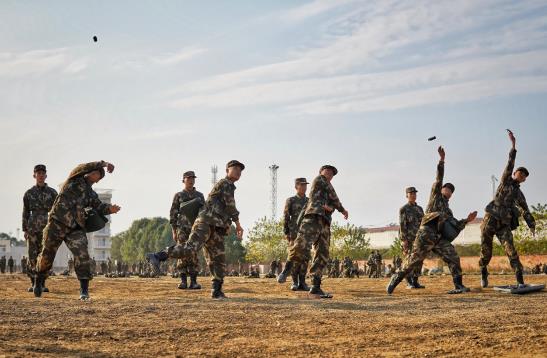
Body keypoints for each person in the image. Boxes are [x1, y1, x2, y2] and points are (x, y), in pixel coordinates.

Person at [147, 160, 245, 299]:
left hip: (216, 226)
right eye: (234, 168)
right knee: (190, 248)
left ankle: (216, 290)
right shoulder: (224, 184)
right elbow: (230, 205)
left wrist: (227, 224)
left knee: (218, 258)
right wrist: (238, 224)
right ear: (227, 170)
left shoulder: (227, 187)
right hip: (205, 222)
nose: (238, 172)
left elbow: (224, 209)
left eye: (240, 170)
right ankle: (157, 256)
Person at [387, 146, 477, 294]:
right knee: (412, 261)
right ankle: (395, 279)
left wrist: (467, 220)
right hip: (425, 235)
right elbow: (438, 178)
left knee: (453, 256)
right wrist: (442, 161)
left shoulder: (448, 211)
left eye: (451, 190)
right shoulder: (435, 197)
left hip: (437, 238)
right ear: (441, 189)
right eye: (446, 188)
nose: (448, 190)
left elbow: (455, 225)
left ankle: (458, 285)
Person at [34, 161, 121, 300]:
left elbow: (99, 207)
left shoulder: (91, 194)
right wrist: (103, 163)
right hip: (57, 222)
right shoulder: (74, 179)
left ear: (98, 179)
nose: (94, 173)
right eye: (93, 170)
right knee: (47, 254)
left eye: (98, 173)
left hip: (75, 227)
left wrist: (110, 209)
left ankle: (84, 290)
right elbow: (83, 167)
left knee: (82, 254)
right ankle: (38, 279)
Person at [277, 165, 348, 298]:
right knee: (300, 246)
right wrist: (342, 209)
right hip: (313, 219)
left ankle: (315, 286)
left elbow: (329, 205)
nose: (329, 174)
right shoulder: (319, 180)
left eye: (332, 173)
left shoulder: (323, 194)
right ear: (321, 173)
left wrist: (331, 208)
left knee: (322, 254)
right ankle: (288, 269)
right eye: (327, 171)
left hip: (325, 223)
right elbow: (333, 197)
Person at [479, 130, 536, 288]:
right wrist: (513, 146)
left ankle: (520, 281)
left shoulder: (519, 193)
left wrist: (531, 225)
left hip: (504, 224)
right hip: (490, 220)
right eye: (520, 172)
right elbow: (510, 163)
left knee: (511, 251)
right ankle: (483, 270)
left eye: (524, 176)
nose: (521, 175)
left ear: (524, 180)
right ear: (515, 173)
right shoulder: (505, 181)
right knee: (486, 253)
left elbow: (525, 209)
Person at [22, 164, 58, 292]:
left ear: (46, 175)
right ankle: (33, 283)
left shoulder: (53, 193)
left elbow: (57, 211)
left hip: (47, 227)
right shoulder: (29, 193)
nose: (41, 175)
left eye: (43, 173)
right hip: (32, 227)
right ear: (34, 175)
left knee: (45, 255)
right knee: (32, 255)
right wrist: (25, 229)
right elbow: (25, 212)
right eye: (38, 173)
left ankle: (42, 283)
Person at [169, 171, 205, 290]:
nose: (191, 180)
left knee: (193, 254)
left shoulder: (200, 196)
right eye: (188, 178)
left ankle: (193, 282)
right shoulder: (179, 195)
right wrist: (174, 231)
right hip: (182, 230)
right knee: (182, 253)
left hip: (196, 230)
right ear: (183, 180)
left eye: (193, 178)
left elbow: (204, 213)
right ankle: (183, 281)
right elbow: (173, 214)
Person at [280, 177, 310, 290]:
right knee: (294, 257)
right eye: (301, 185)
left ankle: (302, 282)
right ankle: (294, 282)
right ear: (296, 186)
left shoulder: (309, 201)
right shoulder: (291, 200)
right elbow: (286, 217)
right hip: (294, 233)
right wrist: (286, 232)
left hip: (307, 233)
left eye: (305, 185)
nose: (304, 187)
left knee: (305, 258)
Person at [399, 187, 425, 289]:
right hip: (409, 240)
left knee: (419, 260)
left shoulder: (420, 209)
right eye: (411, 193)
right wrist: (404, 240)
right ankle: (408, 282)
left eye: (414, 193)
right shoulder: (404, 209)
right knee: (409, 261)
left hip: (419, 239)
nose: (413, 195)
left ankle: (415, 281)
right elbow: (402, 225)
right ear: (407, 195)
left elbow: (423, 224)